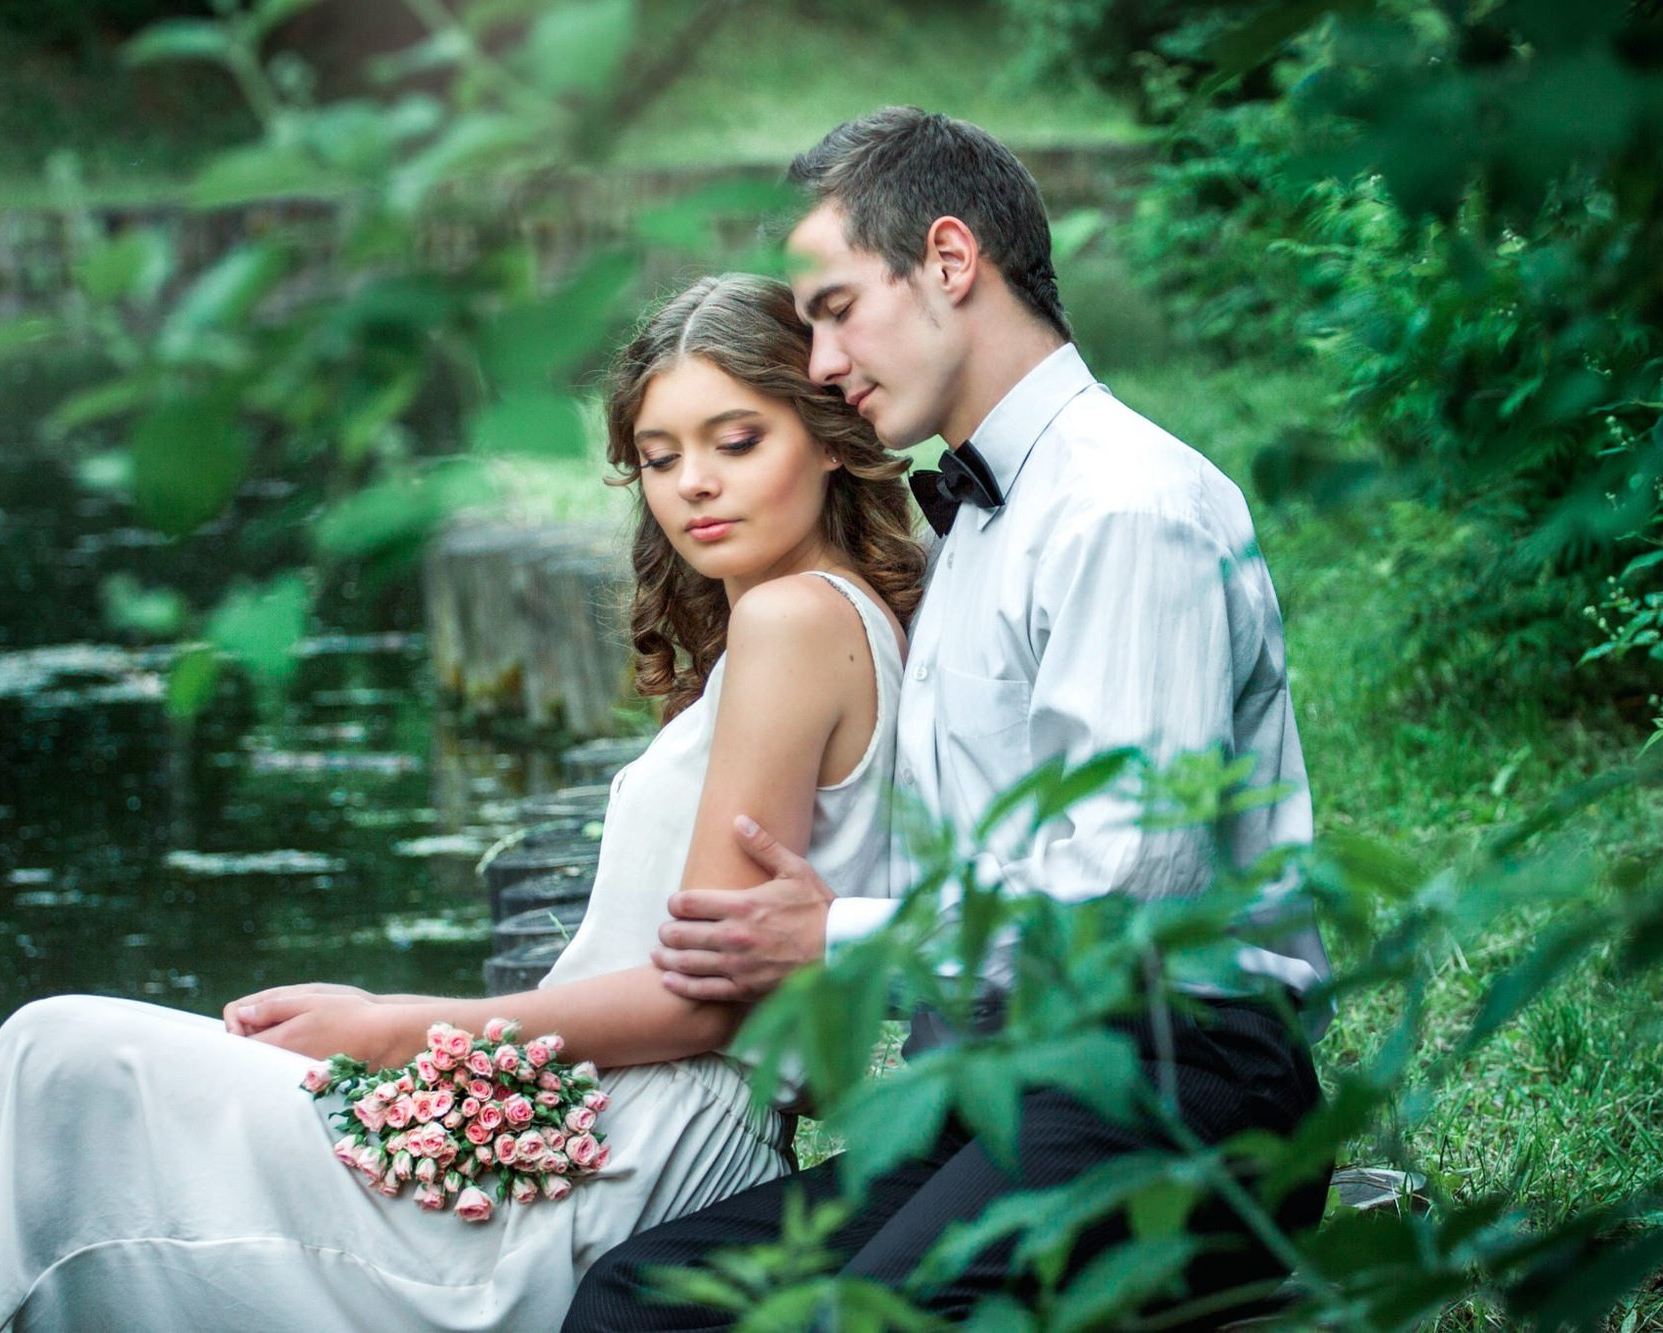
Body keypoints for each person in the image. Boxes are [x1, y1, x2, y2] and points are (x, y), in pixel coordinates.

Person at [0, 273, 922, 1332]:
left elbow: (709, 999)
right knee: (66, 1075)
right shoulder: (817, 625)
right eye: (658, 455)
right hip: (573, 1113)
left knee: (58, 1058)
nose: (694, 483)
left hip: (630, 1157)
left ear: (829, 434)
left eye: (737, 441)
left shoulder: (791, 621)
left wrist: (390, 1027)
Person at [564, 108, 1335, 1328]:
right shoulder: (967, 528)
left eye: (830, 308)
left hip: (1178, 1083)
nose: (818, 362)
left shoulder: (1120, 508)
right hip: (997, 1092)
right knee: (644, 1301)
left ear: (949, 261)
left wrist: (835, 936)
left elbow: (1124, 899)